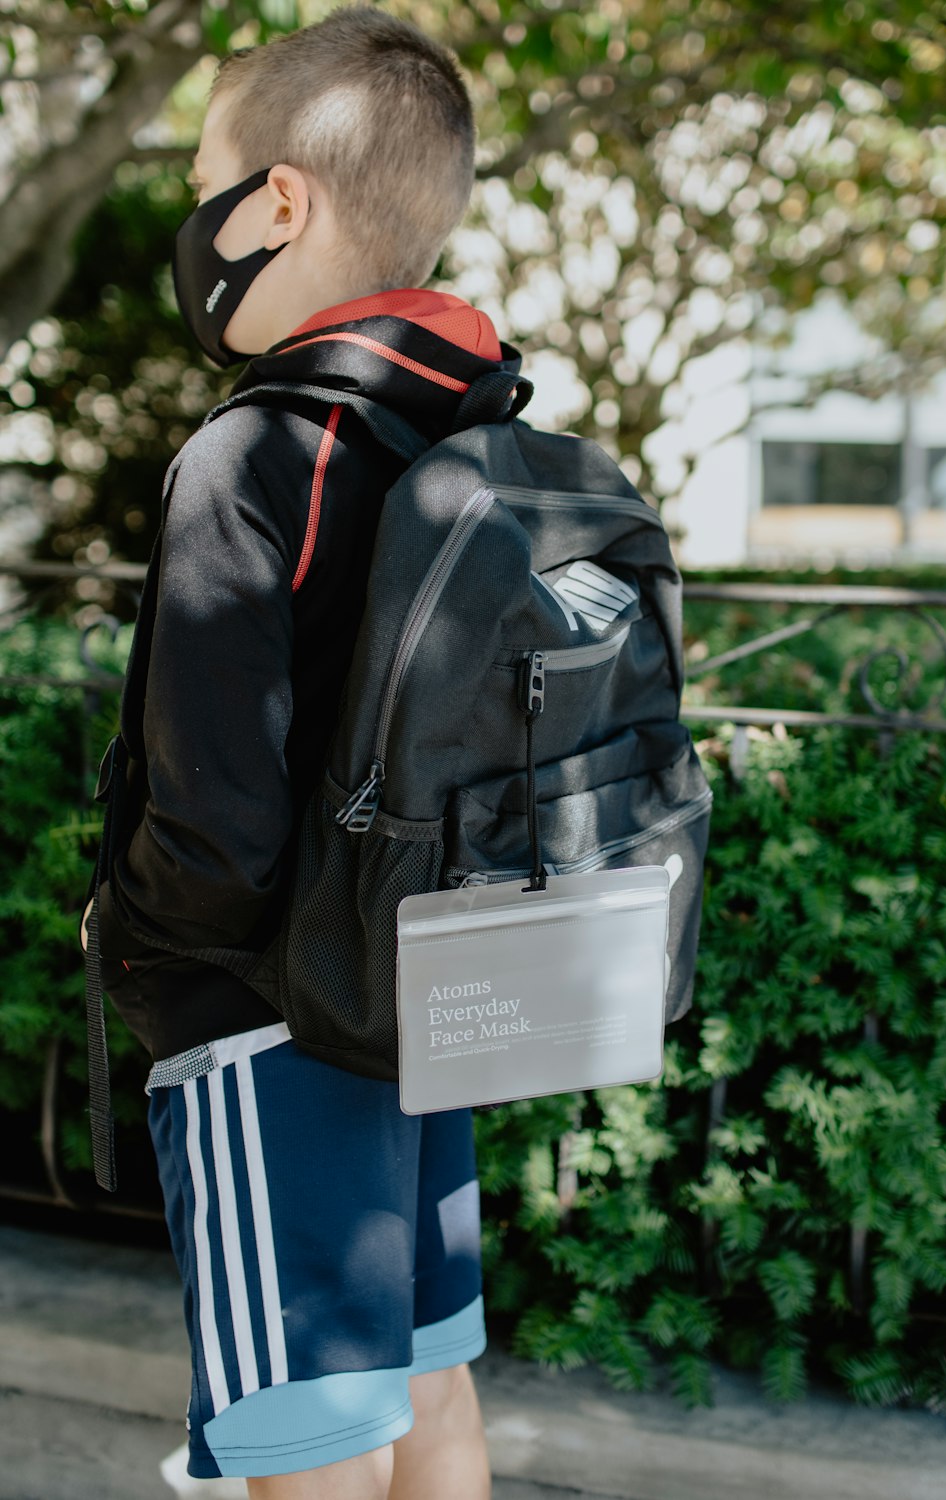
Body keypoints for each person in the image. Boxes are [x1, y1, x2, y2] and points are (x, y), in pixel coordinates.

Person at [84, 7, 521, 1495]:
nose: (195, 224)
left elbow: (214, 826)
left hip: (271, 1026)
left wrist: (138, 952)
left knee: (308, 1451)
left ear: (278, 200)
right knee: (429, 1394)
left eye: (211, 179)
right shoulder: (465, 436)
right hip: (426, 1002)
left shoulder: (250, 456)